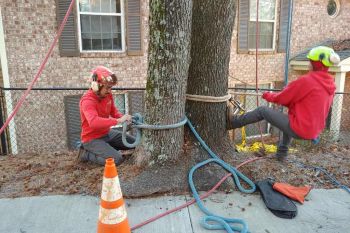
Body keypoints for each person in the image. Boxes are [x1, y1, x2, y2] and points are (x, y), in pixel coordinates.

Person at [227, 46, 340, 160]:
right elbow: (305, 102)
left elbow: (283, 98)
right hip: (313, 130)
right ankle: (281, 155)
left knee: (262, 111)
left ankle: (233, 122)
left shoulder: (308, 81)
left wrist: (267, 95)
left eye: (310, 61)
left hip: (301, 128)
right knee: (289, 121)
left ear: (316, 63)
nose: (308, 64)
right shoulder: (329, 84)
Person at [77, 66, 135, 165]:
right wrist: (118, 121)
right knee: (117, 160)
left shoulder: (108, 95)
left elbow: (113, 112)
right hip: (91, 139)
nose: (109, 90)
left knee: (134, 144)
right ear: (96, 86)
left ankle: (107, 148)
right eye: (107, 87)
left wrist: (124, 118)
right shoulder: (87, 101)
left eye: (110, 87)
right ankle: (86, 154)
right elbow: (94, 122)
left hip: (107, 133)